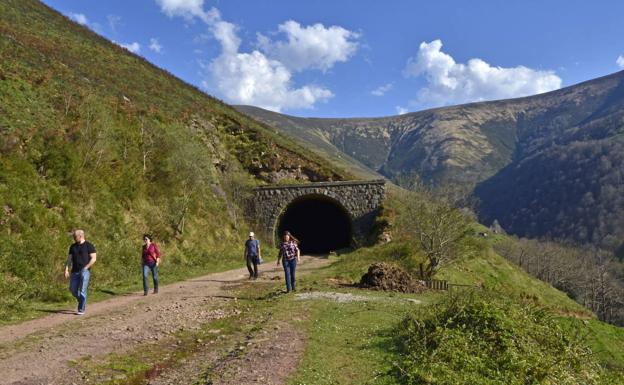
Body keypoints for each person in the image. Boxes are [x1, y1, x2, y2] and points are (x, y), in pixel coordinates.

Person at [64, 229, 97, 315]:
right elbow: (69, 259)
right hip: (74, 271)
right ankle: (81, 300)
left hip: (85, 271)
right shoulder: (72, 247)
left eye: (75, 237)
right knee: (72, 289)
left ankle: (81, 309)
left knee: (83, 290)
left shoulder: (89, 246)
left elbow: (94, 258)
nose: (74, 238)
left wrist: (86, 267)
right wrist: (66, 269)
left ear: (80, 236)